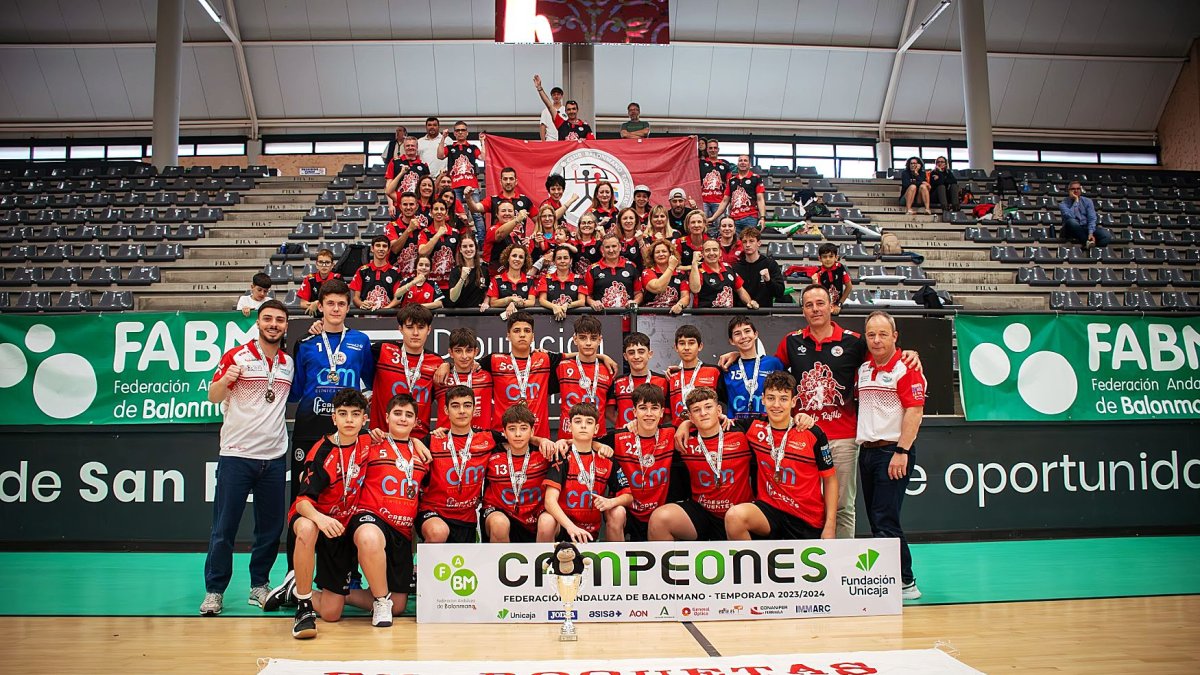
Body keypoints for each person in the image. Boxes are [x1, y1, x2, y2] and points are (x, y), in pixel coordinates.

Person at [265, 281, 373, 606]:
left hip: (348, 431)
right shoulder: (307, 343)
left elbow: (365, 382)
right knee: (303, 499)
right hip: (311, 429)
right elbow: (297, 390)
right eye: (331, 304)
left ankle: (349, 574)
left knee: (348, 498)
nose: (336, 309)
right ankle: (293, 575)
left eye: (342, 303)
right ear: (321, 306)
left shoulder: (360, 341)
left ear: (348, 306)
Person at [200, 300, 294, 617]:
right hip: (236, 456)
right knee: (223, 529)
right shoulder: (236, 356)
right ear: (258, 322)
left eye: (279, 320)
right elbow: (213, 396)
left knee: (269, 530)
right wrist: (227, 379)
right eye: (268, 318)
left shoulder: (288, 363)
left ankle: (259, 586)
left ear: (285, 325)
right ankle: (214, 591)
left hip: (274, 456)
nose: (273, 324)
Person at [285, 388, 372, 639]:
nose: (349, 420)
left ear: (364, 419)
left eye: (355, 415)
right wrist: (320, 518)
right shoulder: (321, 452)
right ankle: (303, 608)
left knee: (332, 613)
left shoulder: (368, 441)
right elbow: (301, 502)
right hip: (318, 520)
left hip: (342, 528)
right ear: (333, 418)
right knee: (306, 527)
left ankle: (293, 588)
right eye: (342, 414)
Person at [856, 311, 926, 600]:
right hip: (867, 452)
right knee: (877, 518)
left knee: (886, 518)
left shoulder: (907, 367)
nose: (876, 340)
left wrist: (902, 451)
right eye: (871, 334)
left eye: (883, 334)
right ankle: (890, 580)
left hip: (892, 451)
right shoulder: (863, 369)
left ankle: (906, 582)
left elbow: (915, 411)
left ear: (895, 337)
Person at [724, 371, 837, 541]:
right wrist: (686, 424)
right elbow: (712, 424)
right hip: (770, 512)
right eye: (771, 398)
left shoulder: (812, 432)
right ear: (762, 399)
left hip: (806, 519)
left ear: (793, 402)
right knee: (735, 517)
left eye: (783, 399)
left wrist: (830, 526)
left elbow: (830, 480)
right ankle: (753, 568)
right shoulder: (753, 426)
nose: (776, 405)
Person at [349, 393, 430, 627]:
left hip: (402, 530)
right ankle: (381, 602)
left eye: (408, 415)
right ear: (386, 417)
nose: (403, 419)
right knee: (369, 536)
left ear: (416, 421)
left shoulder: (422, 452)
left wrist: (416, 441)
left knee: (400, 605)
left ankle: (336, 595)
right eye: (397, 413)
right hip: (371, 517)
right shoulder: (370, 442)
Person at [648, 387, 751, 541]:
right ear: (690, 416)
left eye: (708, 407)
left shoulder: (741, 432)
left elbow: (774, 420)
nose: (703, 413)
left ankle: (748, 564)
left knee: (736, 518)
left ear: (718, 410)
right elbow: (648, 431)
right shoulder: (683, 440)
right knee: (659, 519)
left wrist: (801, 417)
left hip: (739, 513)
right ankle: (666, 565)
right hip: (703, 514)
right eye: (696, 410)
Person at [541, 403, 631, 542]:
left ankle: (615, 559)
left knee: (618, 511)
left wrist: (610, 501)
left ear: (596, 428)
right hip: (564, 527)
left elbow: (628, 496)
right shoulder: (562, 455)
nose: (583, 426)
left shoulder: (605, 457)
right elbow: (549, 501)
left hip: (590, 531)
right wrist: (571, 527)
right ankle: (545, 563)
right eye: (578, 421)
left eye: (589, 422)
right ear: (569, 426)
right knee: (546, 520)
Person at [611, 384, 677, 541]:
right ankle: (618, 563)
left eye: (654, 408)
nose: (649, 414)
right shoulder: (619, 437)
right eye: (642, 408)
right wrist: (598, 445)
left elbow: (699, 422)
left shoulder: (671, 433)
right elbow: (587, 440)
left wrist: (686, 424)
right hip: (629, 511)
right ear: (634, 412)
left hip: (659, 512)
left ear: (662, 412)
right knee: (615, 513)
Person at [480, 404, 555, 542]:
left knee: (548, 522)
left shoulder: (545, 453)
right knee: (499, 523)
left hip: (535, 515)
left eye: (524, 428)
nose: (518, 434)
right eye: (512, 429)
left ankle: (543, 564)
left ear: (532, 431)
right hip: (500, 512)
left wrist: (598, 445)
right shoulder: (491, 452)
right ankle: (497, 562)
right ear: (504, 431)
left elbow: (578, 444)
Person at [369, 304, 444, 441]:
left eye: (421, 328)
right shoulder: (382, 350)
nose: (415, 333)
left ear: (429, 330)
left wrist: (448, 365)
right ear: (400, 329)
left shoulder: (437, 362)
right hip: (381, 438)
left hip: (418, 441)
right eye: (410, 327)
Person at [555, 316, 615, 439]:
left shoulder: (609, 370)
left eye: (593, 338)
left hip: (598, 440)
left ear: (600, 340)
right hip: (567, 440)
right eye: (582, 338)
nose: (588, 343)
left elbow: (610, 411)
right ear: (575, 339)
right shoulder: (561, 366)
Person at [722, 316, 785, 420]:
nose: (743, 336)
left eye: (747, 331)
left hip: (766, 425)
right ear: (731, 341)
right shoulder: (728, 367)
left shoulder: (773, 363)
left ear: (755, 334)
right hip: (737, 427)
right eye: (737, 334)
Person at [433, 327, 493, 431]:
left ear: (476, 352)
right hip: (445, 441)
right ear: (451, 352)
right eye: (458, 351)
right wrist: (446, 365)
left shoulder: (488, 377)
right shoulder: (440, 377)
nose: (464, 356)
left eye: (469, 350)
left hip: (480, 441)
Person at [611, 332, 670, 430]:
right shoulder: (617, 382)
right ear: (625, 356)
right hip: (625, 436)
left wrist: (650, 425)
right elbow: (609, 412)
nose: (636, 356)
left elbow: (668, 414)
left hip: (654, 436)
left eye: (641, 351)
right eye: (631, 353)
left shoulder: (663, 381)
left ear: (650, 354)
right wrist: (624, 426)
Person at [666, 324, 724, 423]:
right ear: (676, 347)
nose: (687, 348)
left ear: (700, 346)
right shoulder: (671, 376)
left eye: (691, 343)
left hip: (706, 431)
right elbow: (667, 413)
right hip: (679, 432)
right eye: (682, 343)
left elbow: (723, 402)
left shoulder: (714, 371)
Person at [439, 121, 487, 241]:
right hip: (454, 186)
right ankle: (455, 240)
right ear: (454, 133)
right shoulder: (450, 148)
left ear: (467, 132)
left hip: (471, 185)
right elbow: (440, 155)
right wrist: (443, 138)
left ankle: (481, 242)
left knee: (477, 214)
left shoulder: (472, 147)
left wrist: (482, 142)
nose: (460, 132)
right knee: (454, 214)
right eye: (458, 130)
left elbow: (484, 157)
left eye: (463, 130)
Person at [690, 239, 759, 309]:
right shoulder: (697, 270)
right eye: (707, 250)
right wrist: (694, 263)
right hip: (704, 317)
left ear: (720, 252)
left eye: (715, 250)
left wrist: (749, 302)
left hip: (728, 316)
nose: (711, 253)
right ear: (702, 254)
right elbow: (695, 289)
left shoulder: (728, 267)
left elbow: (740, 290)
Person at [585, 232, 643, 311]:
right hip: (602, 317)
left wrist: (635, 302)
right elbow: (588, 295)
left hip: (627, 318)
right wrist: (593, 303)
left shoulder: (631, 266)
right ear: (602, 249)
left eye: (614, 246)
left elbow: (638, 293)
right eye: (607, 247)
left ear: (619, 247)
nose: (611, 250)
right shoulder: (593, 269)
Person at [711, 154, 766, 234]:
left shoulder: (756, 178)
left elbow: (760, 199)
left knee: (749, 244)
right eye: (740, 160)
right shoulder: (731, 180)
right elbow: (725, 201)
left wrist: (762, 218)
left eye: (745, 160)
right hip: (734, 219)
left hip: (750, 218)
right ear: (737, 164)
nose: (742, 162)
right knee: (734, 245)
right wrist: (713, 218)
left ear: (749, 164)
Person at [732, 227, 785, 308]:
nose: (748, 245)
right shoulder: (736, 267)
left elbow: (779, 292)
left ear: (759, 243)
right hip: (741, 313)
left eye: (751, 241)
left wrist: (768, 281)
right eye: (744, 242)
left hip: (764, 313)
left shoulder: (770, 264)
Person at [418, 199, 463, 292]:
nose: (439, 212)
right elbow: (422, 252)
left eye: (442, 209)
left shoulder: (455, 233)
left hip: (450, 283)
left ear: (446, 212)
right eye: (436, 209)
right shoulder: (425, 233)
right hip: (430, 282)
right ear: (431, 212)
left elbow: (458, 259)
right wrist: (437, 234)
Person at [349, 236, 404, 312]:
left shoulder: (395, 272)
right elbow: (355, 298)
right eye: (378, 245)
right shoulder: (362, 270)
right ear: (372, 249)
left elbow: (398, 298)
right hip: (365, 316)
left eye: (384, 246)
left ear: (388, 250)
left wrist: (385, 310)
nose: (381, 249)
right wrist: (361, 304)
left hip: (387, 317)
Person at [534, 245, 588, 321]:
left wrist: (567, 305)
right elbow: (542, 300)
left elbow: (582, 301)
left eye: (565, 258)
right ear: (554, 261)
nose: (562, 261)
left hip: (574, 320)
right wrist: (554, 307)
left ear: (571, 260)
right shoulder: (545, 278)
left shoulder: (579, 278)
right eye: (559, 258)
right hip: (549, 320)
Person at [534, 74, 595, 141]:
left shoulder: (585, 126)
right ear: (565, 111)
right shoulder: (561, 124)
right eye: (569, 109)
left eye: (574, 109)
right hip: (562, 150)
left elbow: (592, 144)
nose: (571, 111)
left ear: (577, 110)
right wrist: (539, 88)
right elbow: (550, 106)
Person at [640, 239, 690, 314]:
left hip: (673, 314)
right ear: (652, 256)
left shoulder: (681, 274)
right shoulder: (647, 272)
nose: (661, 254)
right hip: (650, 316)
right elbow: (658, 288)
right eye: (657, 252)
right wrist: (671, 267)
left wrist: (680, 305)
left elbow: (685, 296)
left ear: (671, 254)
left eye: (664, 251)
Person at [1059, 180, 1112, 249]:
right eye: (1073, 189)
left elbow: (1092, 218)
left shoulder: (1087, 201)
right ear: (1069, 191)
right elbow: (1070, 216)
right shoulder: (1063, 204)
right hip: (1070, 230)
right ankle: (1087, 242)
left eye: (1078, 189)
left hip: (1085, 228)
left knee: (1106, 235)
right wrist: (1076, 202)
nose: (1076, 191)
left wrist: (1090, 233)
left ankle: (1093, 250)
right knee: (1071, 221)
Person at [486, 242, 535, 315]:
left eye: (521, 257)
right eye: (514, 256)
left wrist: (514, 303)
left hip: (524, 321)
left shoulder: (530, 280)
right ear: (508, 258)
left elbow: (531, 302)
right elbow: (493, 303)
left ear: (524, 261)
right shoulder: (497, 280)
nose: (517, 259)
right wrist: (510, 299)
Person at [482, 201, 529, 272]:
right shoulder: (493, 229)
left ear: (514, 214)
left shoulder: (515, 235)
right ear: (497, 215)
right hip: (492, 274)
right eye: (503, 211)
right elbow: (500, 233)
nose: (507, 213)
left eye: (510, 211)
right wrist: (517, 220)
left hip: (509, 276)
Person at [385, 192, 424, 277]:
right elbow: (395, 249)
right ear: (400, 207)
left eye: (411, 204)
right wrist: (409, 229)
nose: (408, 207)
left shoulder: (423, 228)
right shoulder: (391, 226)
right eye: (405, 204)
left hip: (417, 278)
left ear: (417, 207)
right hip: (396, 277)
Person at [385, 137, 429, 209]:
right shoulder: (395, 162)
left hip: (417, 203)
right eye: (408, 146)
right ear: (404, 147)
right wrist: (391, 205)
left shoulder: (423, 165)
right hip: (399, 203)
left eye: (412, 145)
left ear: (417, 147)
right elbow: (388, 185)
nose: (410, 148)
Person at [446, 236, 489, 309]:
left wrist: (486, 302)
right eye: (465, 246)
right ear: (460, 250)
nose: (468, 249)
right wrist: (462, 278)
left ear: (476, 248)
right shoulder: (455, 271)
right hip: (460, 315)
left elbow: (487, 292)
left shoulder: (484, 270)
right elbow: (453, 298)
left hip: (479, 315)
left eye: (471, 246)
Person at [811, 242, 853, 313]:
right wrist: (814, 283)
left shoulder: (840, 267)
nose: (828, 259)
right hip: (823, 309)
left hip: (838, 307)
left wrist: (839, 304)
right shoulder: (817, 274)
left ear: (836, 257)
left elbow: (849, 287)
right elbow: (817, 294)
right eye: (824, 257)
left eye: (831, 256)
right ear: (819, 258)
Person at [297, 249, 340, 316]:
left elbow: (341, 300)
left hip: (335, 314)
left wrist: (318, 303)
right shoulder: (310, 279)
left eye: (327, 262)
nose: (324, 265)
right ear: (316, 265)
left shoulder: (338, 278)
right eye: (320, 262)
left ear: (332, 265)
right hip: (318, 316)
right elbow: (303, 303)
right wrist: (313, 304)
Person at [699, 138, 732, 221]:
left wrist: (728, 200)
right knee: (702, 226)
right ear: (707, 150)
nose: (713, 150)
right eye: (710, 148)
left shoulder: (725, 165)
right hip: (703, 201)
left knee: (721, 226)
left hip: (719, 202)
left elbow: (729, 184)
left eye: (715, 148)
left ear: (718, 149)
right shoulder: (700, 163)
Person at [928, 156, 959, 220]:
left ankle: (956, 208)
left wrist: (940, 177)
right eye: (938, 162)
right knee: (941, 187)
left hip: (946, 196)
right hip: (936, 196)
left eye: (942, 162)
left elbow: (954, 182)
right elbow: (940, 183)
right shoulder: (933, 173)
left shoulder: (948, 172)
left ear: (945, 163)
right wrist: (940, 173)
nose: (940, 163)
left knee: (954, 186)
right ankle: (945, 210)